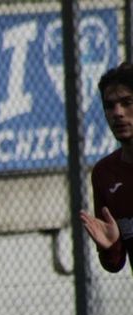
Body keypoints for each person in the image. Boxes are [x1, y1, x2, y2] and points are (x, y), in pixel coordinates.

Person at [80, 62, 133, 274]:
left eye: (127, 102)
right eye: (109, 106)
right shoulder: (105, 174)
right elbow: (114, 263)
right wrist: (110, 247)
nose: (117, 113)